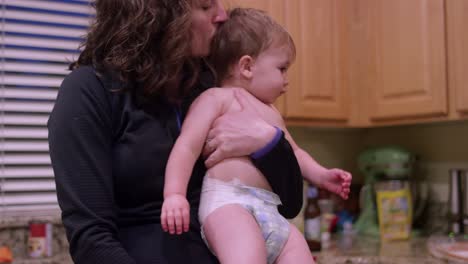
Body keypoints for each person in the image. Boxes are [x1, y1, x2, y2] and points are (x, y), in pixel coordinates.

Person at [47, 1, 305, 264]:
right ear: (159, 15)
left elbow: (289, 204)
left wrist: (267, 142)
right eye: (205, 6)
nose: (222, 15)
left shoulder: (214, 86)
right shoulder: (88, 92)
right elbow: (92, 241)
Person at [161, 7, 352, 264]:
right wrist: (174, 195)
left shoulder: (271, 112)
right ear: (247, 66)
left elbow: (294, 153)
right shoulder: (215, 99)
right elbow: (187, 147)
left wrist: (321, 175)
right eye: (282, 68)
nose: (287, 80)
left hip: (271, 213)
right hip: (229, 204)